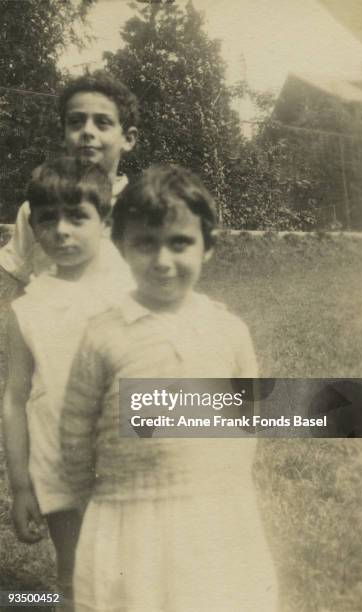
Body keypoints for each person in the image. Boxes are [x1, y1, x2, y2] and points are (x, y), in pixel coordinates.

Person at [61, 165, 279, 612]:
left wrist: (229, 494)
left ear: (208, 247)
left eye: (179, 243)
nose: (162, 261)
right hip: (130, 513)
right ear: (122, 247)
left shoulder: (227, 329)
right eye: (145, 243)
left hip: (214, 513)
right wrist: (96, 503)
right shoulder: (103, 334)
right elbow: (75, 430)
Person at [2, 158, 135, 611]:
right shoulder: (27, 309)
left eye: (77, 216)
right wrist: (21, 485)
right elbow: (14, 399)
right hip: (55, 462)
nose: (62, 230)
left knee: (132, 572)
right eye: (48, 219)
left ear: (105, 223)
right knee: (73, 578)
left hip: (123, 464)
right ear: (32, 226)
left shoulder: (129, 295)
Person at [0, 70, 138, 287]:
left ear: (128, 139)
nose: (87, 131)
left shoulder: (145, 207)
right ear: (62, 136)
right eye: (75, 122)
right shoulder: (37, 209)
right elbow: (16, 278)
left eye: (102, 122)